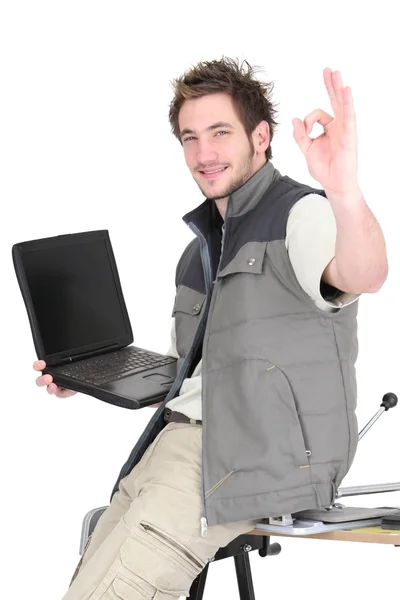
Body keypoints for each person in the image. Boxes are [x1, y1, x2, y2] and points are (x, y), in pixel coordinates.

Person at [33, 58, 388, 599]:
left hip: (239, 456)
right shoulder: (198, 252)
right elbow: (198, 371)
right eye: (190, 137)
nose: (204, 153)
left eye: (220, 132)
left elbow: (364, 274)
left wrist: (342, 189)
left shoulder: (301, 214)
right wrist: (92, 374)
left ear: (261, 136)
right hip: (172, 445)